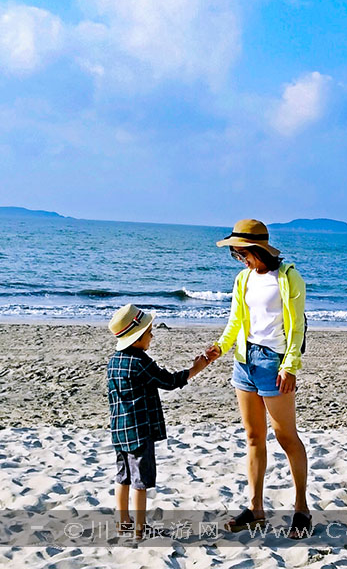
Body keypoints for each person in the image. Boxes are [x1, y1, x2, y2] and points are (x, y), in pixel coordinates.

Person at [205, 219, 311, 539]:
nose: (241, 260)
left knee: (286, 437)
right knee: (253, 437)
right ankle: (256, 509)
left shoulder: (288, 278)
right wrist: (220, 347)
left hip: (273, 364)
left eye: (242, 254)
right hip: (244, 362)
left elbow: (296, 328)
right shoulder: (243, 279)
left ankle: (302, 509)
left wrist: (290, 365)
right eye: (237, 255)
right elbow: (236, 320)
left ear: (257, 250)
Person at [107, 304, 212, 540]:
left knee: (122, 476)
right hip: (139, 430)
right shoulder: (140, 362)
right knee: (140, 481)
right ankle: (139, 529)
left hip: (119, 430)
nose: (152, 335)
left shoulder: (113, 362)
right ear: (136, 339)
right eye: (149, 332)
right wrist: (197, 367)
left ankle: (123, 521)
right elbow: (169, 381)